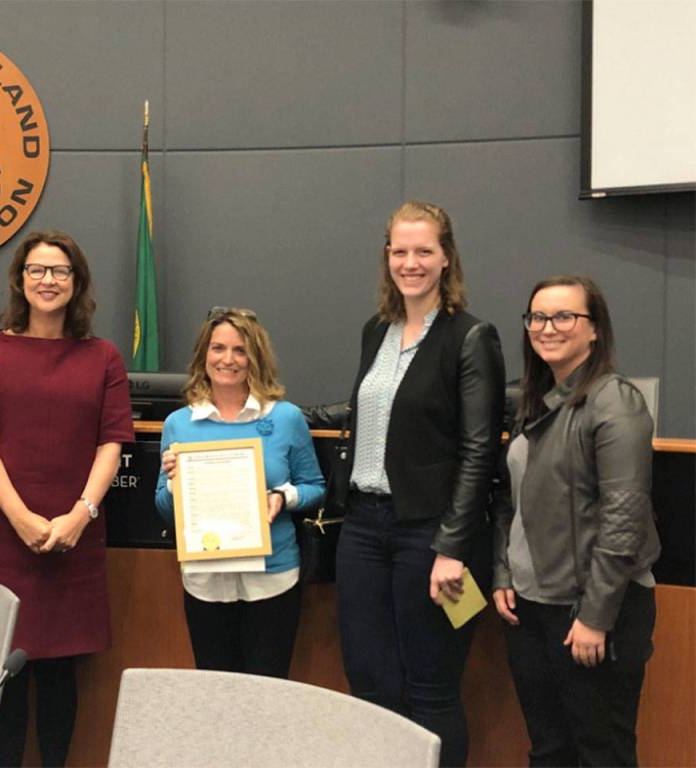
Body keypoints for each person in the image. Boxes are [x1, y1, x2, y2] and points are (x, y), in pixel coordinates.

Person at [306, 201, 505, 766]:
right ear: (386, 256)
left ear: (446, 258)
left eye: (423, 251)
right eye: (399, 251)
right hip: (363, 531)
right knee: (370, 684)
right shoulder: (377, 331)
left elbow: (479, 451)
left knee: (431, 690)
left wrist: (452, 548)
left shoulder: (471, 337)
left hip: (432, 536)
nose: (410, 262)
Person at [0, 230, 134, 768]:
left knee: (60, 672)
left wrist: (81, 514)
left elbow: (112, 443)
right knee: (3, 674)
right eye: (37, 270)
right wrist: (19, 517)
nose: (48, 280)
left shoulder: (102, 357)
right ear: (20, 279)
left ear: (77, 282)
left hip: (72, 537)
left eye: (60, 271)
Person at [491, 275, 659, 767]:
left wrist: (595, 617)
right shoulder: (533, 400)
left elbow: (624, 518)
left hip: (591, 612)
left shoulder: (615, 401)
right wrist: (503, 572)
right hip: (529, 609)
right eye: (537, 317)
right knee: (549, 750)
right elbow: (509, 500)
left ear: (594, 329)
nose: (547, 328)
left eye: (564, 316)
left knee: (602, 753)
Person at [155, 308, 325, 678]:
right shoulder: (179, 424)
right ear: (204, 355)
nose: (227, 359)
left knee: (267, 690)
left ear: (255, 357)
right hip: (206, 580)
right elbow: (165, 510)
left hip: (273, 577)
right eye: (218, 348)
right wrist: (173, 483)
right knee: (217, 691)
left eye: (240, 350)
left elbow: (315, 488)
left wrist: (282, 497)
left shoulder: (285, 418)